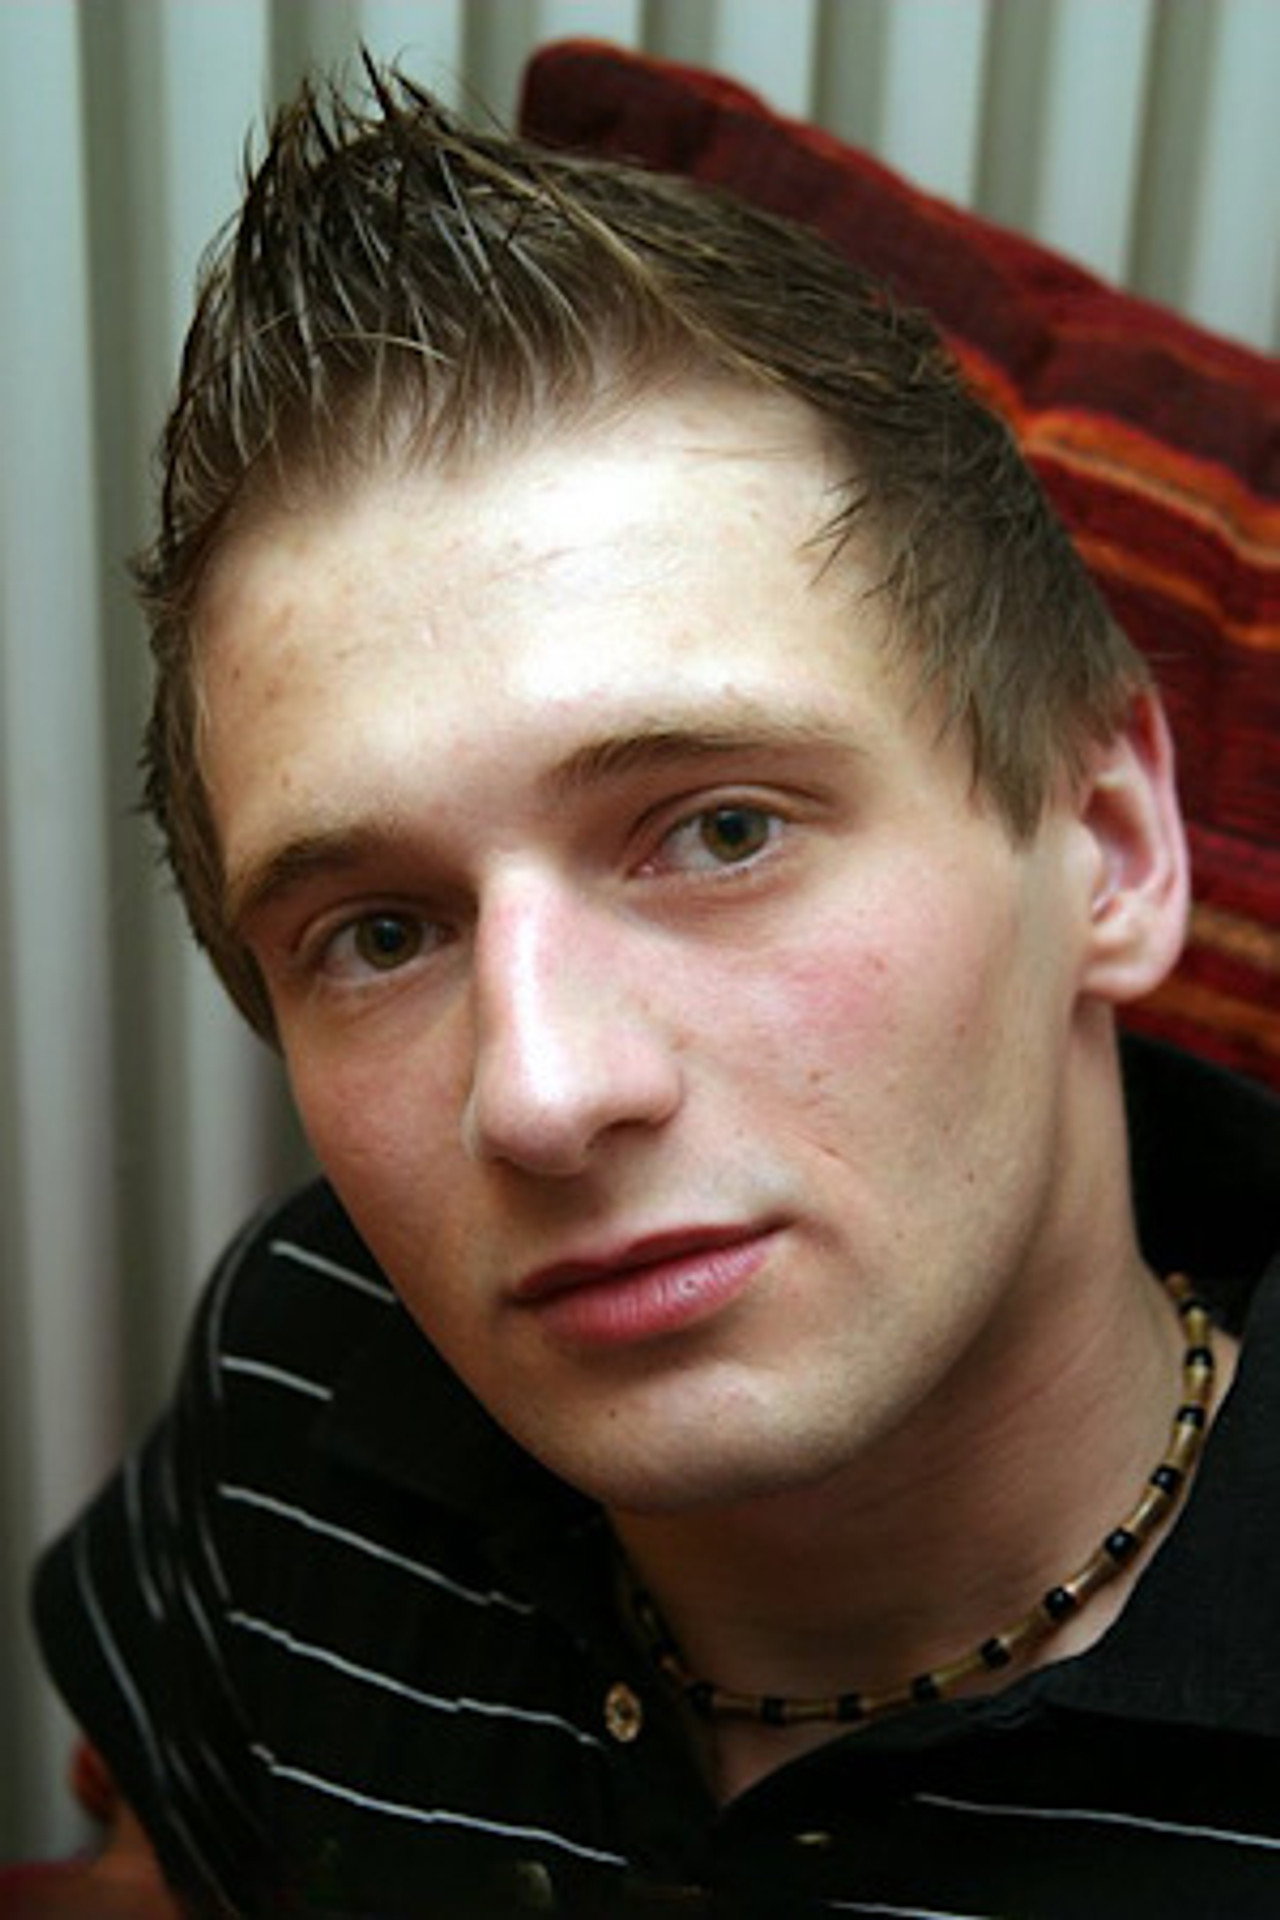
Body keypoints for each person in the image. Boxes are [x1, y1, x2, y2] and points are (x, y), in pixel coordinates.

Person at [29, 64, 1279, 1919]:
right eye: (382, 934)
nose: (541, 1095)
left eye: (719, 832)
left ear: (1110, 848)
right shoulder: (305, 1359)